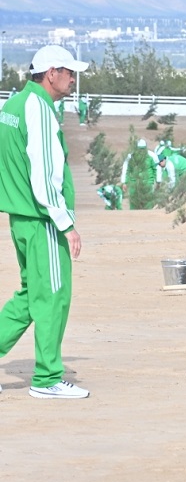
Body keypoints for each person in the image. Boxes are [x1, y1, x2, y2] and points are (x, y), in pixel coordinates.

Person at [0, 45, 91, 399]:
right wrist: (65, 224)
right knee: (54, 296)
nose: (73, 79)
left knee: (30, 295)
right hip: (42, 220)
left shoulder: (13, 104)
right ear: (51, 73)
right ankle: (48, 378)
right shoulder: (39, 109)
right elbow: (44, 174)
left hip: (21, 218)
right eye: (69, 72)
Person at [121, 139, 156, 208]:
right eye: (140, 149)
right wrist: (124, 182)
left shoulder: (152, 156)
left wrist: (157, 181)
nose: (141, 151)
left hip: (148, 183)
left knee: (148, 204)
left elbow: (156, 169)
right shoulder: (131, 157)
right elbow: (127, 170)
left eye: (143, 149)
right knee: (134, 203)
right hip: (134, 183)